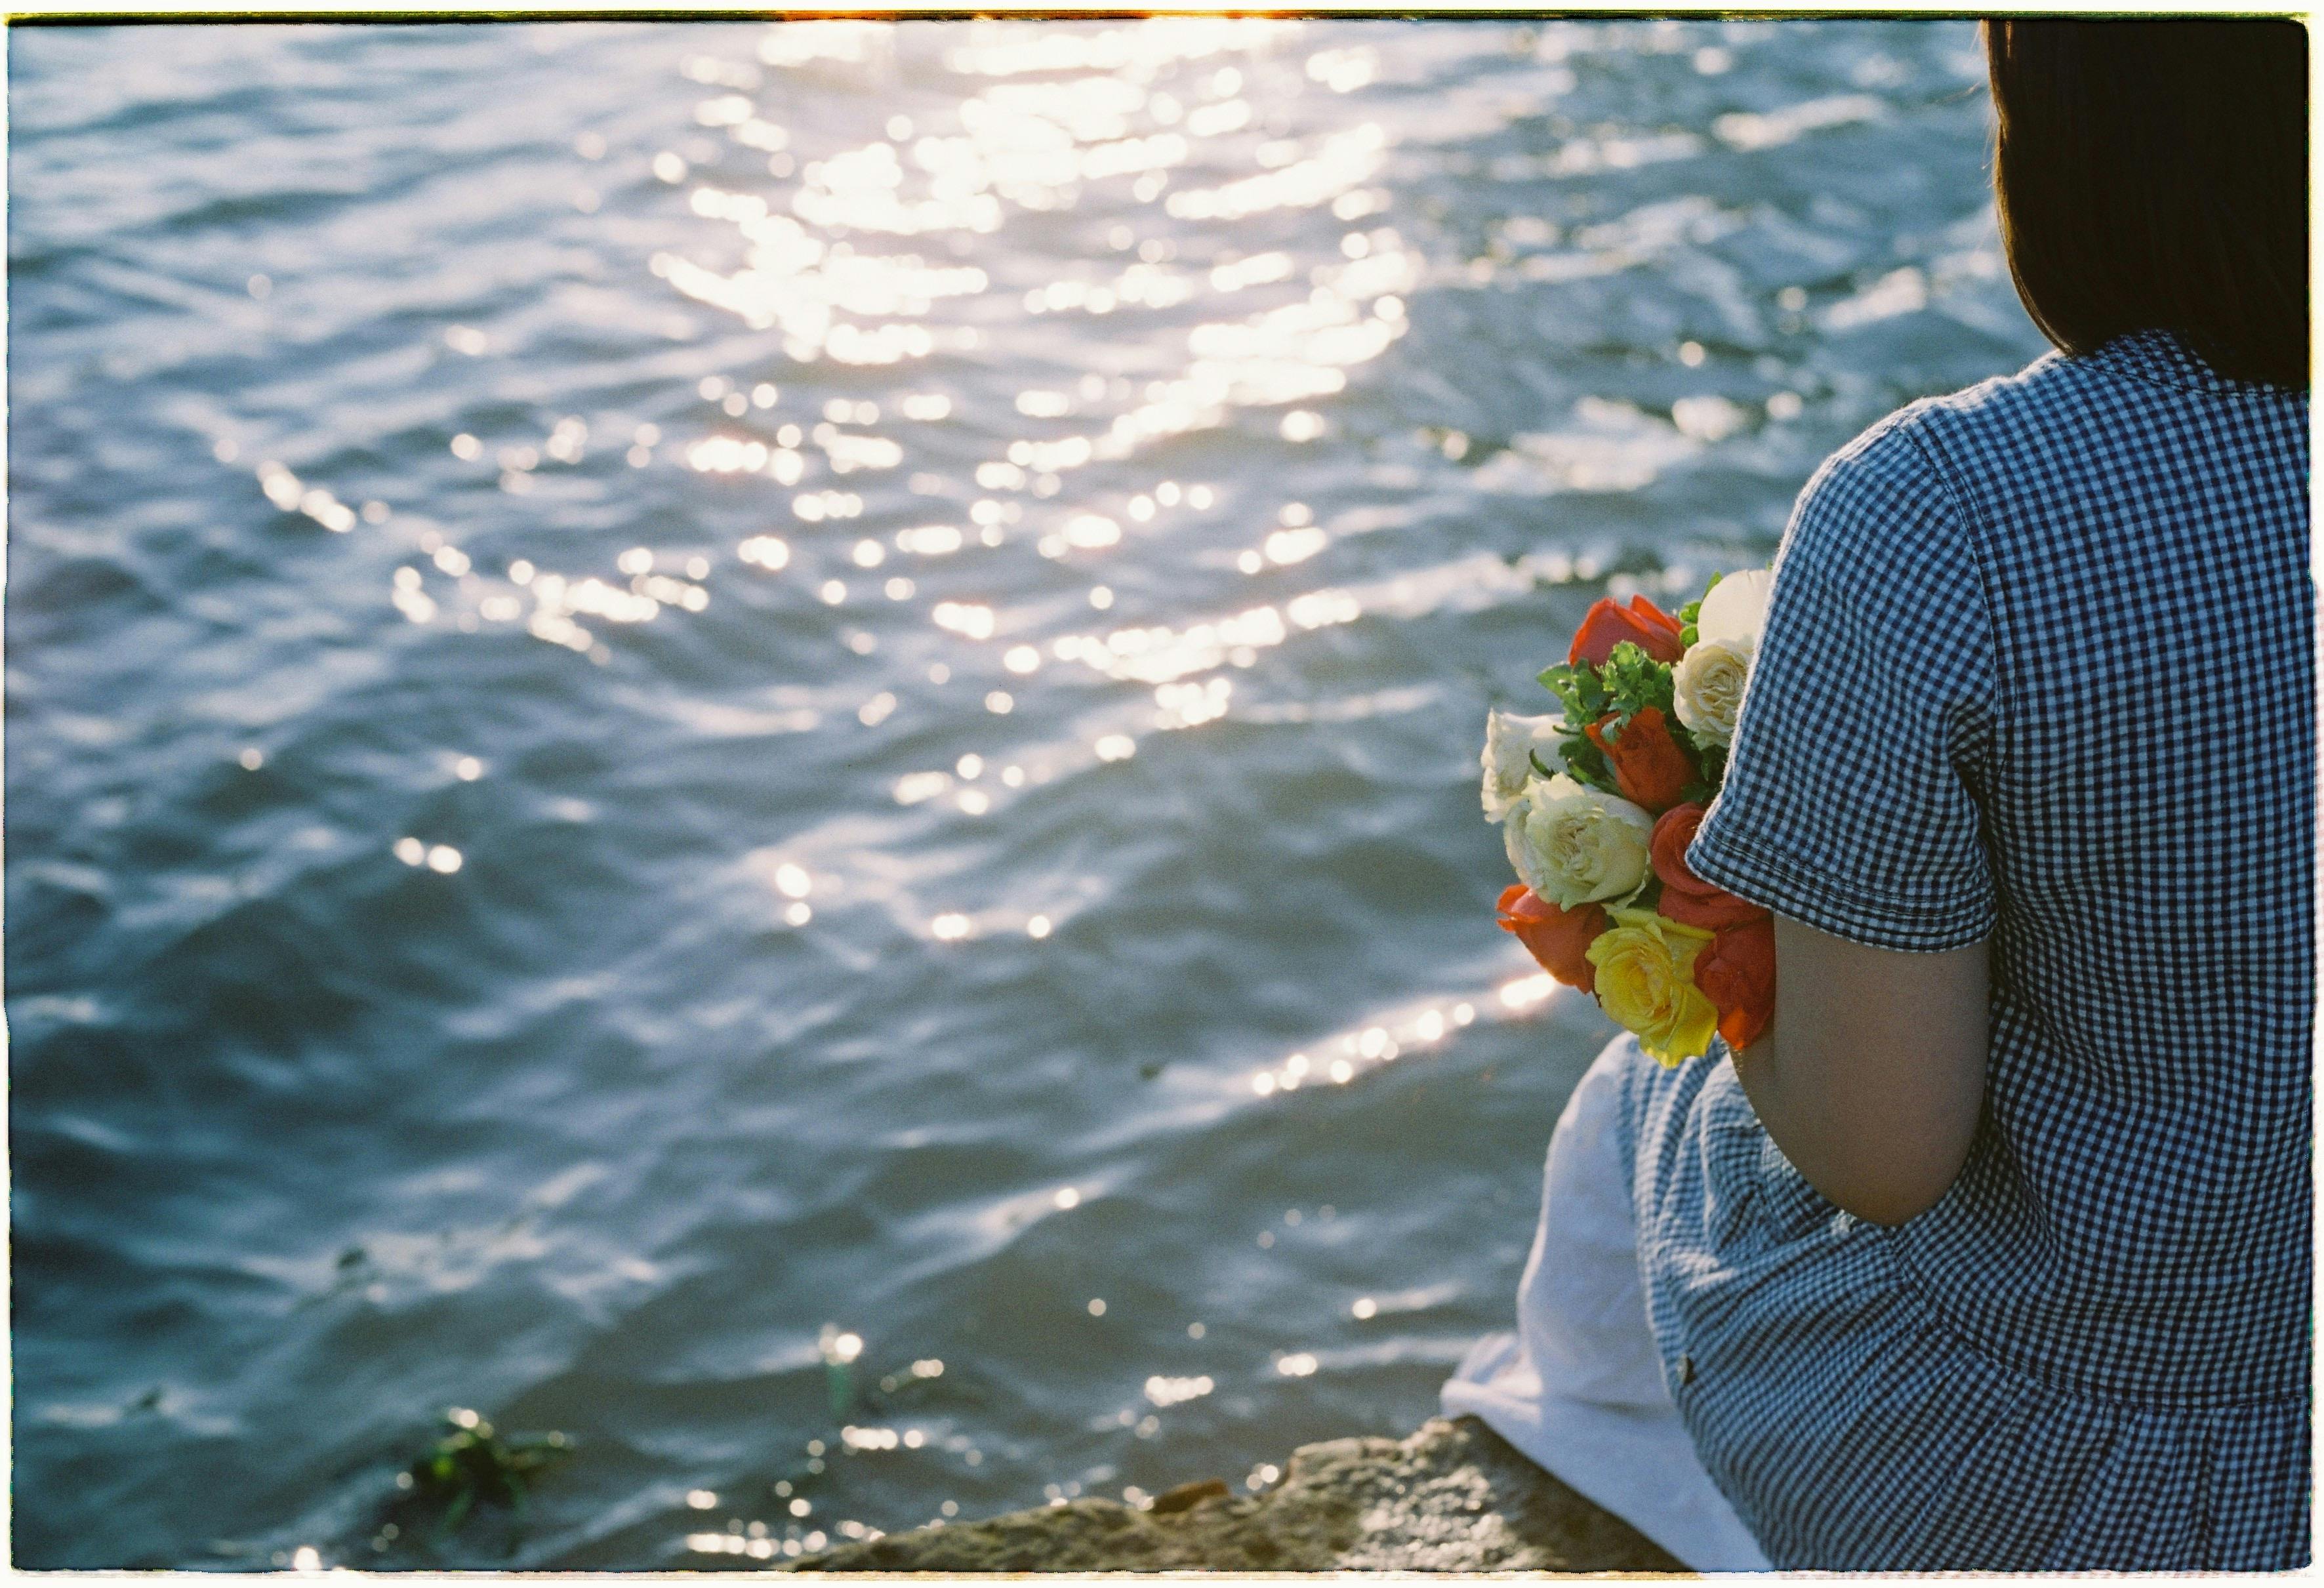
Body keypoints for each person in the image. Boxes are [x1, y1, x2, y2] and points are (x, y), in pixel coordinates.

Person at [1445, 18, 2310, 1572]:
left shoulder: (1942, 514)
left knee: (1645, 1094)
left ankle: (1586, 1463)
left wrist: (1710, 930)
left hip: (2074, 1458)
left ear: (2062, 134)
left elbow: (1879, 1150)